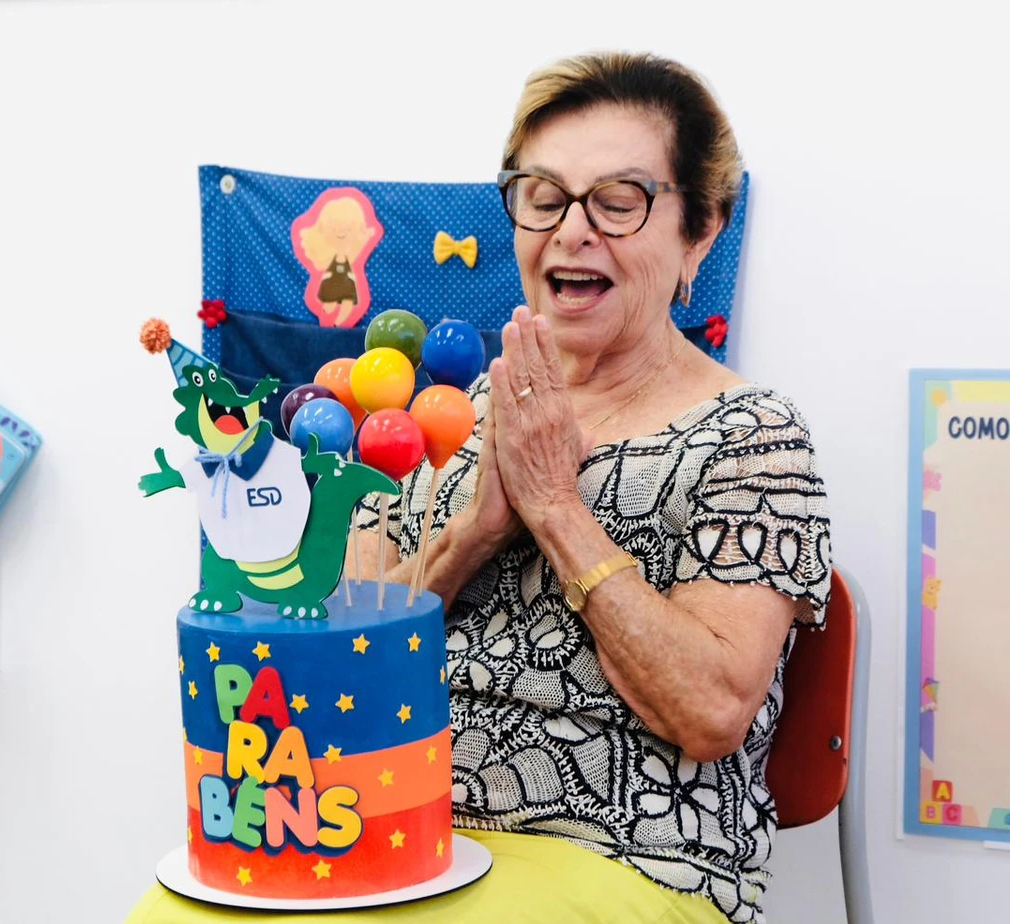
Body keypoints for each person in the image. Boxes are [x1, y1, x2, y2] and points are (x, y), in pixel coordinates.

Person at [127, 51, 830, 924]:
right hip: (386, 829)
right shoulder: (432, 420)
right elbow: (330, 657)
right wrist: (469, 539)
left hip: (629, 859)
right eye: (544, 196)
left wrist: (558, 511)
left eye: (618, 201)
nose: (574, 230)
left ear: (702, 230)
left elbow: (714, 711)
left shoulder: (752, 437)